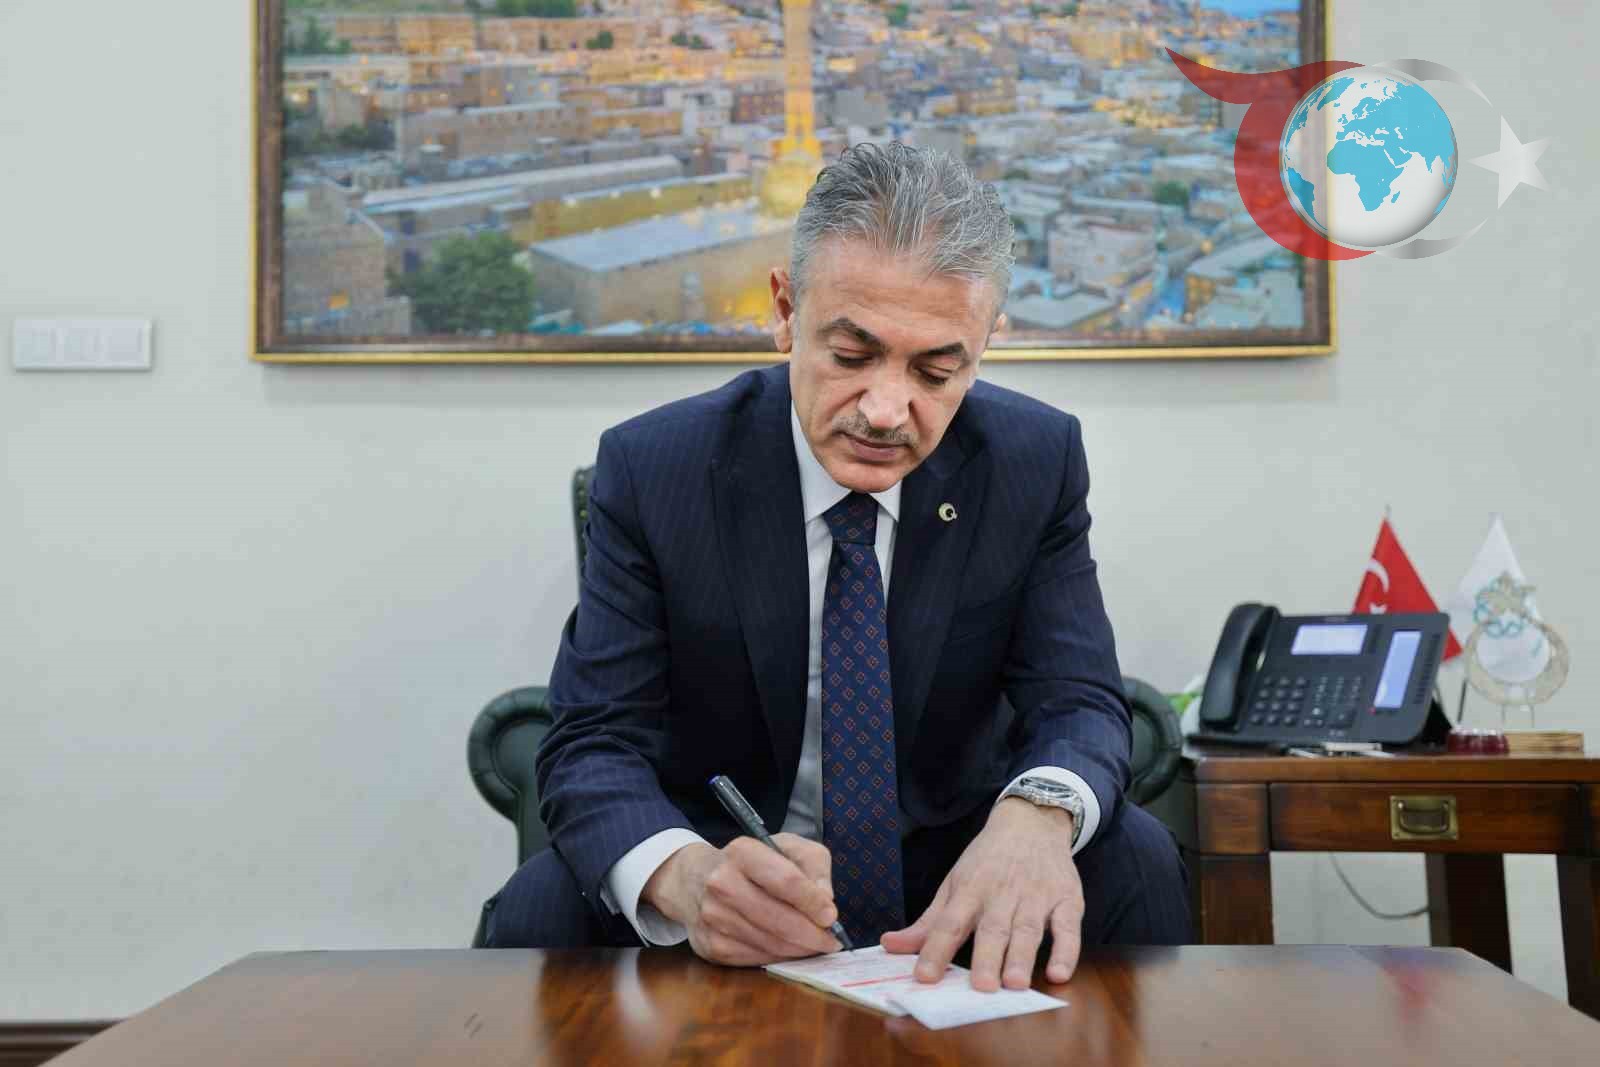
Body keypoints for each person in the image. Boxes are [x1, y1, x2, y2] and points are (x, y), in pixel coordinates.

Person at [480, 142, 1189, 990]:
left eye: (937, 370)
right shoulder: (657, 468)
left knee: (1137, 856)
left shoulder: (1033, 460)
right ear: (786, 310)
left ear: (985, 344)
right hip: (733, 865)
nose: (886, 412)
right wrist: (689, 879)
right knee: (540, 903)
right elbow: (592, 739)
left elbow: (1079, 697)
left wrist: (1034, 819)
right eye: (852, 356)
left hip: (953, 874)